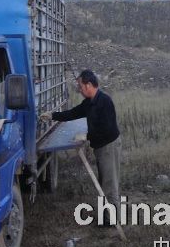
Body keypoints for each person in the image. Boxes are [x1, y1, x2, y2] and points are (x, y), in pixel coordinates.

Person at [40, 69, 121, 226]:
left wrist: (86, 136)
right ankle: (107, 218)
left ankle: (112, 222)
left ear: (89, 85)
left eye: (80, 86)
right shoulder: (89, 103)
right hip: (101, 147)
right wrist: (52, 115)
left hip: (109, 146)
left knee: (109, 184)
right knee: (104, 181)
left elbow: (107, 130)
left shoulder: (105, 102)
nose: (79, 89)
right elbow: (72, 113)